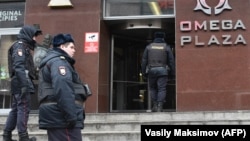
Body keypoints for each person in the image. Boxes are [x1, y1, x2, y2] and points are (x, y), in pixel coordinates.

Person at [38, 33, 86, 141]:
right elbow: (63, 89)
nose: (74, 50)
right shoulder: (59, 62)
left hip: (57, 116)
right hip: (62, 118)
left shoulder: (54, 61)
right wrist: (71, 116)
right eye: (71, 47)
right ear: (62, 46)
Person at [3, 25, 42, 141]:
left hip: (19, 81)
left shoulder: (23, 46)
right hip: (21, 82)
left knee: (16, 109)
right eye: (34, 36)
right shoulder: (20, 47)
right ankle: (23, 137)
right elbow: (19, 67)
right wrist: (24, 85)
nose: (35, 39)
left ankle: (7, 135)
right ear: (28, 35)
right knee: (23, 108)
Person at [141, 31, 175, 112]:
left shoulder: (149, 47)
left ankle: (155, 105)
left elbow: (144, 61)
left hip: (151, 70)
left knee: (152, 88)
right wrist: (172, 73)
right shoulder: (166, 47)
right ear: (163, 38)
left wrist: (143, 72)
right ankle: (160, 106)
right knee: (162, 88)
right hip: (163, 70)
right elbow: (171, 61)